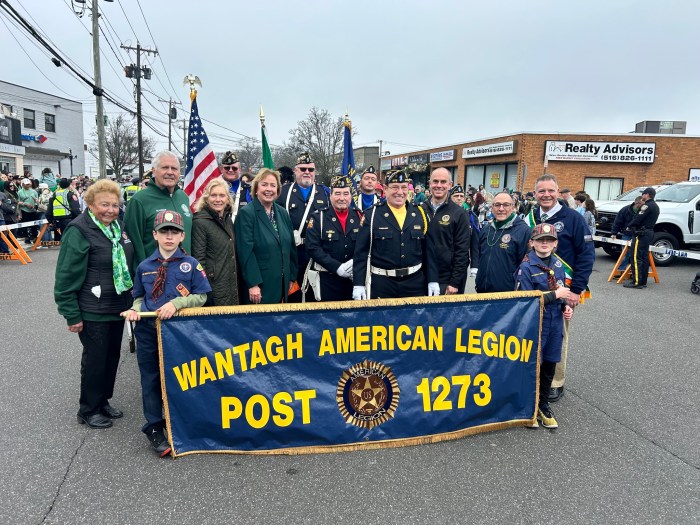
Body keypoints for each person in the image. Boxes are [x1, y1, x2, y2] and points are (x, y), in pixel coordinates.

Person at [121, 210, 211, 456]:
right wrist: (134, 310)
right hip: (149, 330)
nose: (169, 237)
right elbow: (140, 297)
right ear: (155, 235)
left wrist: (177, 304)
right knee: (150, 378)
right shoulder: (144, 266)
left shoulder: (191, 265)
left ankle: (182, 424)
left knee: (182, 377)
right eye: (164, 232)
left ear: (182, 236)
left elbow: (201, 296)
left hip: (180, 332)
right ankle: (154, 427)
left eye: (174, 232)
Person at [54, 179, 134, 429]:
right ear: (89, 204)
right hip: (92, 309)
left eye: (115, 204)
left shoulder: (118, 226)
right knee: (95, 359)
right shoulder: (78, 230)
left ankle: (103, 400)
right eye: (104, 205)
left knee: (111, 357)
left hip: (117, 305)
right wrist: (71, 314)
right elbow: (65, 275)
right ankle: (88, 408)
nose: (110, 209)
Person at [525, 174, 595, 402]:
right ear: (535, 193)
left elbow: (586, 255)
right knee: (532, 333)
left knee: (558, 334)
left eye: (550, 190)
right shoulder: (530, 217)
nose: (546, 195)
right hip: (533, 287)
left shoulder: (573, 218)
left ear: (558, 193)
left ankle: (555, 380)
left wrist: (577, 290)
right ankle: (533, 376)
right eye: (541, 191)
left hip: (563, 290)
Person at [515, 223, 573, 429]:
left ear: (555, 244)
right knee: (532, 364)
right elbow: (525, 300)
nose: (544, 244)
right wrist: (555, 295)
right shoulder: (526, 267)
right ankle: (527, 406)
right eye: (540, 240)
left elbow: (561, 289)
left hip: (555, 321)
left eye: (549, 240)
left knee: (549, 363)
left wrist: (566, 306)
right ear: (532, 243)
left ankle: (543, 403)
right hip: (535, 323)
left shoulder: (557, 265)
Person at [352, 170, 429, 300]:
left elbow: (428, 252)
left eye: (404, 187)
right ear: (386, 189)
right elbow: (361, 253)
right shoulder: (372, 214)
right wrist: (358, 284)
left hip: (414, 283)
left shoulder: (419, 213)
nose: (400, 192)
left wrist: (432, 280)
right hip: (382, 284)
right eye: (394, 187)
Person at [235, 168, 298, 304]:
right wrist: (253, 284)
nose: (268, 189)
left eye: (273, 185)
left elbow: (291, 246)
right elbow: (246, 252)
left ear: (278, 190)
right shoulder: (247, 213)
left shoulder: (282, 213)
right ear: (256, 188)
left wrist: (291, 277)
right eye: (264, 184)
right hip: (260, 287)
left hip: (282, 284)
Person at [124, 150, 192, 271]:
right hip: (154, 278)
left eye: (174, 168)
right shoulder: (139, 201)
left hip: (184, 274)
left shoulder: (183, 197)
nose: (170, 172)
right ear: (154, 171)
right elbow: (133, 245)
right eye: (165, 167)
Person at [277, 152, 329, 301]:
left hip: (316, 254)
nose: (307, 172)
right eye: (303, 169)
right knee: (293, 295)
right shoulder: (283, 192)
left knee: (315, 296)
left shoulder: (325, 193)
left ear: (315, 172)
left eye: (310, 169)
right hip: (291, 253)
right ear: (295, 171)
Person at [304, 176, 361, 301]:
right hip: (326, 280)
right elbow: (312, 247)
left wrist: (355, 262)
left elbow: (365, 245)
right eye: (337, 193)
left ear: (351, 196)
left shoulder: (358, 216)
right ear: (330, 196)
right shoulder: (319, 217)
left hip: (353, 280)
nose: (342, 198)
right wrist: (336, 267)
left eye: (346, 193)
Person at [421, 168, 470, 295]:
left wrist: (454, 282)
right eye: (435, 181)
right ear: (430, 183)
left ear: (450, 185)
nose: (439, 185)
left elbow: (462, 251)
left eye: (443, 182)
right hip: (422, 277)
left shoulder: (459, 214)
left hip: (446, 279)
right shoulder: (420, 210)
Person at [192, 177, 239, 306]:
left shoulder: (227, 220)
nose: (218, 199)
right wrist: (206, 289)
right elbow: (199, 261)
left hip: (231, 285)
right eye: (213, 195)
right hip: (213, 288)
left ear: (228, 199)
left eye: (222, 195)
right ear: (207, 198)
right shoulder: (200, 222)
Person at [475, 192, 531, 293]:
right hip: (482, 291)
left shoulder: (524, 231)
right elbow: (480, 256)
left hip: (507, 295)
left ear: (513, 207)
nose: (501, 209)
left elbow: (526, 266)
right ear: (492, 207)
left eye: (506, 205)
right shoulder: (486, 229)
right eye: (497, 205)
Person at [623, 187, 660, 289]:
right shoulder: (655, 206)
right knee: (644, 258)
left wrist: (629, 226)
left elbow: (638, 219)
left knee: (636, 257)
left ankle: (636, 282)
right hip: (648, 232)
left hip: (641, 234)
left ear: (647, 194)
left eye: (643, 194)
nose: (642, 196)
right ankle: (643, 281)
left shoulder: (646, 206)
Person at [611, 196, 643, 268]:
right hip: (627, 234)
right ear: (636, 202)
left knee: (636, 254)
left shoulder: (643, 211)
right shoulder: (625, 210)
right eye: (641, 203)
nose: (642, 205)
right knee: (625, 253)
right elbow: (617, 221)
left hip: (638, 234)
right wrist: (614, 233)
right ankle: (620, 270)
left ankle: (633, 271)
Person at [219, 151, 250, 222]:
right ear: (221, 169)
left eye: (234, 168)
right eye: (227, 168)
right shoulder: (212, 188)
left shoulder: (248, 189)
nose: (230, 170)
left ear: (239, 170)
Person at [17, 177, 40, 244]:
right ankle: (26, 237)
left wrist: (35, 205)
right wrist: (25, 204)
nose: (28, 185)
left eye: (29, 184)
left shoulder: (34, 191)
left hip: (33, 210)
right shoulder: (20, 192)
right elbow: (18, 202)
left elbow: (37, 200)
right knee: (25, 225)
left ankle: (35, 237)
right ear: (23, 184)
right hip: (24, 210)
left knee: (34, 225)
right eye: (26, 184)